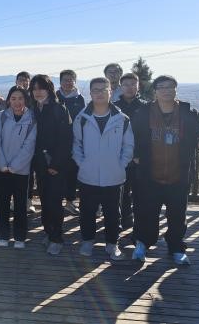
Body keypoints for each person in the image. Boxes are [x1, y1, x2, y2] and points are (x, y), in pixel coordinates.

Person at [131, 75, 199, 265]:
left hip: (179, 174)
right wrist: (134, 155)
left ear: (176, 89)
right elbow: (130, 135)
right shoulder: (144, 112)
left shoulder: (187, 111)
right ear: (155, 91)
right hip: (149, 175)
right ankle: (142, 244)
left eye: (170, 87)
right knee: (146, 213)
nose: (166, 90)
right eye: (162, 87)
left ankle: (176, 247)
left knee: (177, 215)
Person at [73, 77, 134, 261]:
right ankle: (87, 241)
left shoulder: (122, 119)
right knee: (87, 211)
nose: (99, 93)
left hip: (114, 176)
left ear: (110, 92)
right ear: (90, 93)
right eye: (95, 90)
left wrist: (120, 164)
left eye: (103, 90)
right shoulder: (82, 118)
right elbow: (76, 144)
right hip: (88, 175)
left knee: (113, 213)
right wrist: (83, 163)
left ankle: (112, 244)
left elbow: (128, 146)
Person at [30, 74, 72, 255]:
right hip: (39, 164)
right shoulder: (33, 109)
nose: (38, 92)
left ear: (49, 89)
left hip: (56, 165)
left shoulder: (59, 109)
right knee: (45, 200)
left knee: (54, 202)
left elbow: (66, 140)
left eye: (41, 88)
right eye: (34, 89)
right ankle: (48, 232)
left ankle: (57, 238)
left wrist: (56, 164)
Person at [0, 86, 36, 249]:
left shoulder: (32, 118)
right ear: (8, 100)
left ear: (26, 100)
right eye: (13, 99)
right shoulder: (1, 116)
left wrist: (15, 166)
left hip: (21, 170)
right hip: (2, 169)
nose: (17, 102)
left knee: (20, 205)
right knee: (2, 204)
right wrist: (2, 164)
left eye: (20, 98)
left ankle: (20, 237)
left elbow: (29, 145)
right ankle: (3, 235)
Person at [114, 72, 147, 230]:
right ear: (121, 87)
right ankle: (123, 221)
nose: (129, 87)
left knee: (140, 193)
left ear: (138, 86)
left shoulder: (146, 107)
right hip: (119, 156)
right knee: (121, 192)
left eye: (133, 84)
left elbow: (148, 134)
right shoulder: (114, 106)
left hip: (139, 157)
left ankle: (139, 227)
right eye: (126, 84)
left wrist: (138, 154)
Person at [56, 69, 86, 216]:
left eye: (70, 80)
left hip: (74, 140)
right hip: (57, 140)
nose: (68, 82)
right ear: (60, 81)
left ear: (75, 81)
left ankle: (70, 201)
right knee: (57, 170)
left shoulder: (80, 99)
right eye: (65, 80)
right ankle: (56, 201)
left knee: (73, 171)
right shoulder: (55, 97)